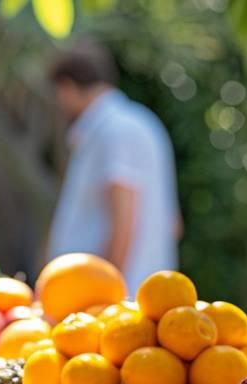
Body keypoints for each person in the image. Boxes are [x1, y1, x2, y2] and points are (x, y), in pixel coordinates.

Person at [46, 43, 181, 294]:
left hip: (114, 304)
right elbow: (173, 223)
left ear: (67, 88)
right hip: (126, 298)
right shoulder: (136, 123)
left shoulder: (114, 131)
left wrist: (103, 295)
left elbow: (124, 219)